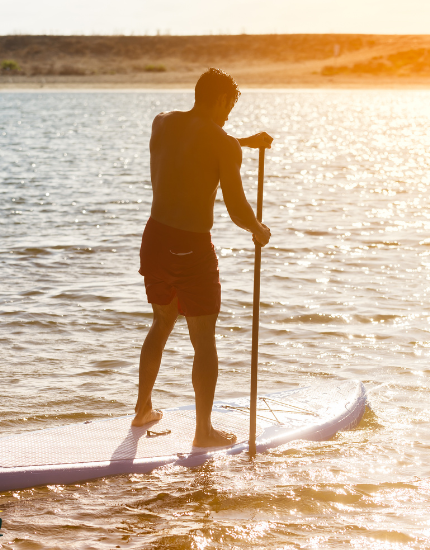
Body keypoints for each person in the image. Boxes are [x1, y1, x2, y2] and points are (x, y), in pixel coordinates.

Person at [132, 68, 272, 447]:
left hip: (155, 239)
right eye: (228, 104)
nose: (229, 113)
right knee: (204, 339)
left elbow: (192, 145)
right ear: (217, 99)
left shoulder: (161, 124)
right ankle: (203, 432)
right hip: (192, 248)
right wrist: (259, 230)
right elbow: (237, 209)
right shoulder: (222, 144)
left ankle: (142, 409)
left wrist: (240, 143)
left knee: (161, 322)